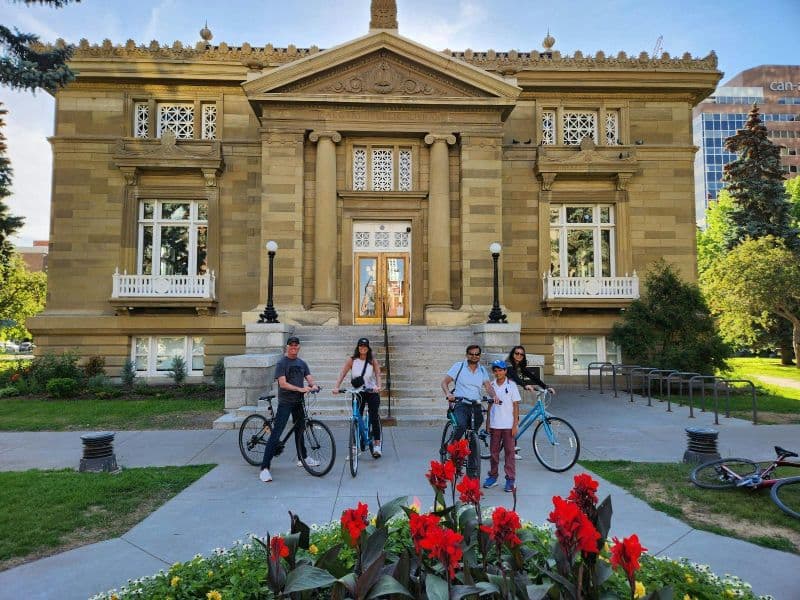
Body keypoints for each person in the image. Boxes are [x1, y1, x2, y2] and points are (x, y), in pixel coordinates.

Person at [259, 336, 319, 483]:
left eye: (296, 345)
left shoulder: (302, 363)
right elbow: (283, 384)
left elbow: (309, 378)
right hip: (285, 402)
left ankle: (302, 458)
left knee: (300, 431)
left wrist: (314, 386)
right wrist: (300, 389)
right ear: (287, 347)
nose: (294, 347)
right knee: (277, 433)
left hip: (299, 402)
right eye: (291, 345)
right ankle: (264, 468)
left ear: (299, 347)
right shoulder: (281, 363)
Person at [441, 344, 494, 478]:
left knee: (474, 434)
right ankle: (451, 447)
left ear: (479, 356)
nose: (474, 356)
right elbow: (444, 382)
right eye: (471, 354)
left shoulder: (482, 370)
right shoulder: (458, 366)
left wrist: (495, 396)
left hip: (475, 404)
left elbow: (488, 386)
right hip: (461, 403)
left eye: (477, 354)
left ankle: (472, 470)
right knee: (461, 425)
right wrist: (448, 394)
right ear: (467, 354)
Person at [333, 337, 383, 457]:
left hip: (371, 391)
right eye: (361, 346)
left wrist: (378, 386)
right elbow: (343, 373)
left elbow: (378, 374)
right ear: (358, 347)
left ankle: (377, 445)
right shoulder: (352, 360)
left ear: (368, 348)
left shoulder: (372, 360)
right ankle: (354, 448)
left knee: (374, 417)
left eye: (365, 346)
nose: (363, 348)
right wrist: (336, 387)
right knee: (355, 418)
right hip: (358, 392)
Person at [505, 345, 555, 460]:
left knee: (516, 420)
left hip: (512, 395)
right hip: (505, 395)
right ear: (513, 354)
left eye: (521, 354)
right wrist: (524, 385)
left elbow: (533, 376)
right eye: (516, 353)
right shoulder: (508, 365)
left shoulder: (520, 366)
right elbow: (514, 377)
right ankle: (510, 448)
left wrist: (546, 387)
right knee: (514, 421)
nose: (518, 356)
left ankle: (511, 448)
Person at [483, 360, 521, 492]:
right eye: (496, 370)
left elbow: (516, 406)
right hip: (495, 425)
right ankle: (493, 477)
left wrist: (515, 424)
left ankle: (510, 479)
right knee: (494, 453)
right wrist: (488, 423)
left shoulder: (512, 385)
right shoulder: (491, 385)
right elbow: (490, 405)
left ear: (505, 371)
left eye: (501, 370)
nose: (498, 373)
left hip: (508, 425)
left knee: (509, 453)